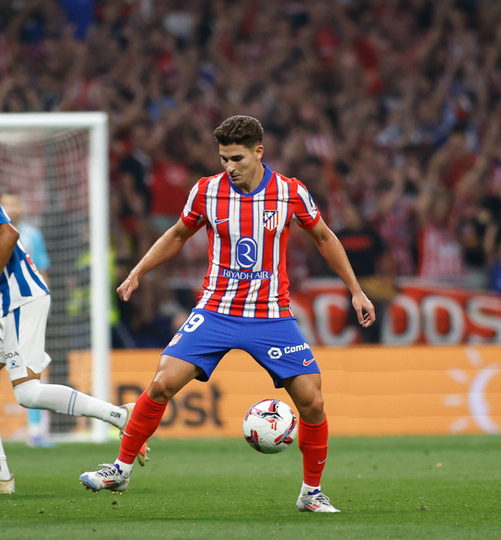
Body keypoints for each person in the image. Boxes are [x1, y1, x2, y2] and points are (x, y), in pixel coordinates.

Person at [78, 116, 376, 513]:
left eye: (236, 158)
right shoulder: (206, 191)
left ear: (258, 151)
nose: (229, 167)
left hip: (271, 315)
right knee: (163, 382)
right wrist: (138, 271)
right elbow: (178, 234)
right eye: (223, 159)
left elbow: (323, 236)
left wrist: (355, 290)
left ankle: (311, 493)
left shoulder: (290, 192)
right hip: (216, 311)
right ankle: (120, 469)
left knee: (313, 402)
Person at [0, 138, 146, 495]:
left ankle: (120, 417)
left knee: (28, 393)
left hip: (21, 297)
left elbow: (8, 235)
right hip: (3, 303)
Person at [0, 192, 52, 447]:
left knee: (32, 368)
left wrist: (45, 302)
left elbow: (42, 271)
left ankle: (35, 431)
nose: (12, 207)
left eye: (15, 202)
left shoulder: (33, 235)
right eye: (6, 203)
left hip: (29, 309)